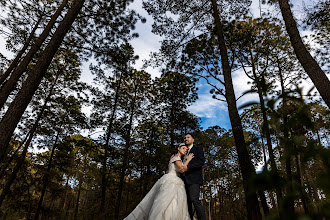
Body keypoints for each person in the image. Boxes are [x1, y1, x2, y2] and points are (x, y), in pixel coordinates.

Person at [124, 143, 194, 220]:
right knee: (166, 202)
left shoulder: (173, 157)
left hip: (172, 179)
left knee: (173, 202)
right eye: (183, 148)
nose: (185, 150)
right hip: (172, 181)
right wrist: (188, 160)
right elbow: (181, 169)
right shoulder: (176, 158)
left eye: (186, 149)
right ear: (178, 148)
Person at [180, 133, 206, 220]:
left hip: (194, 179)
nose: (186, 139)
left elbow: (201, 162)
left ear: (193, 140)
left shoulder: (198, 149)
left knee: (194, 199)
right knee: (187, 202)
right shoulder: (183, 152)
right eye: (185, 138)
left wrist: (188, 167)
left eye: (188, 137)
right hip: (183, 180)